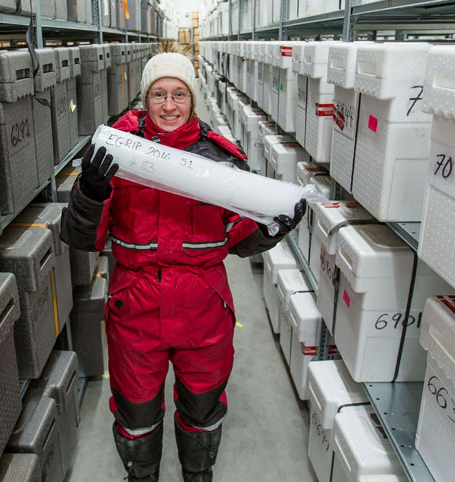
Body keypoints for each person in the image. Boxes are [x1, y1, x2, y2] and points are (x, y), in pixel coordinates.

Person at [60, 44, 306, 482]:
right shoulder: (118, 152)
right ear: (144, 98)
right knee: (136, 417)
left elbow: (237, 240)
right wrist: (91, 193)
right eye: (159, 94)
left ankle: (198, 475)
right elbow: (83, 238)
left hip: (203, 309)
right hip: (135, 309)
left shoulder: (219, 158)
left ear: (193, 98)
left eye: (179, 94)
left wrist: (273, 226)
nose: (169, 105)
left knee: (203, 410)